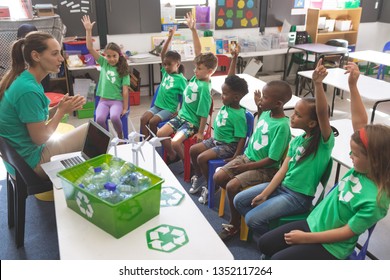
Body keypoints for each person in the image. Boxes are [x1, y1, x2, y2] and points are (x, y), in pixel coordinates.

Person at [258, 61, 390, 260]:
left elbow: (347, 232)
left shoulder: (376, 200)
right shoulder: (364, 168)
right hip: (314, 222)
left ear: (376, 160)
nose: (349, 156)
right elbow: (360, 123)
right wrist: (353, 85)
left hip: (331, 247)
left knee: (277, 260)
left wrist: (305, 239)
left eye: (355, 154)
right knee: (264, 244)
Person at [234, 58, 335, 238]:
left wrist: (317, 84)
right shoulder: (296, 141)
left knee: (252, 219)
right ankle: (269, 236)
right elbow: (281, 172)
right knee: (239, 200)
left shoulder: (322, 143)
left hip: (297, 197)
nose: (292, 117)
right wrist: (265, 193)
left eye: (298, 115)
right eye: (294, 112)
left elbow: (322, 114)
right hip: (282, 187)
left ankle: (274, 244)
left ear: (312, 123)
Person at [213, 75, 293, 242]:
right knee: (218, 176)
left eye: (265, 97)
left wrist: (246, 168)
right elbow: (263, 117)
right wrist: (260, 104)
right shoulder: (266, 113)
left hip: (265, 168)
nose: (261, 100)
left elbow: (273, 159)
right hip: (247, 158)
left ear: (278, 103)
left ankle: (235, 223)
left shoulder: (283, 127)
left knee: (232, 185)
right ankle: (240, 207)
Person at [0, 31, 87, 181]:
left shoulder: (26, 79)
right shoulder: (28, 90)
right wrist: (60, 112)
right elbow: (40, 138)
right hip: (30, 164)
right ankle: (89, 184)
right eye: (54, 54)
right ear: (36, 56)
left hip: (21, 159)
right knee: (91, 131)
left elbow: (35, 118)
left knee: (90, 132)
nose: (61, 59)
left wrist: (59, 107)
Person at [189, 44, 248, 205]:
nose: (222, 96)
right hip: (216, 140)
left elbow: (242, 138)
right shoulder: (229, 102)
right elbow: (230, 79)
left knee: (202, 157)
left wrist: (236, 155)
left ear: (235, 97)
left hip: (228, 145)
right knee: (194, 150)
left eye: (225, 94)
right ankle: (200, 175)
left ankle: (211, 186)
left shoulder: (239, 115)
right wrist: (234, 59)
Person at [157, 12, 217, 165]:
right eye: (195, 67)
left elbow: (204, 113)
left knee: (176, 142)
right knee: (160, 133)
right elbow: (198, 53)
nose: (195, 70)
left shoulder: (204, 87)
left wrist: (200, 132)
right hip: (181, 116)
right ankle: (173, 155)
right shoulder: (198, 77)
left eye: (199, 68)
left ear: (209, 72)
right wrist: (193, 30)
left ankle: (189, 165)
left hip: (191, 123)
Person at [82, 15, 130, 139]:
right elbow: (89, 48)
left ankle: (120, 135)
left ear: (119, 55)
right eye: (108, 56)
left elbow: (125, 91)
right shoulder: (104, 62)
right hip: (103, 101)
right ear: (105, 56)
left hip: (116, 101)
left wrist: (125, 107)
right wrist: (88, 30)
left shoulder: (123, 69)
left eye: (114, 56)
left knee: (114, 117)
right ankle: (106, 137)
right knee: (99, 119)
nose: (111, 59)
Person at [140, 27, 187, 140]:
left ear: (177, 64)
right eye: (164, 64)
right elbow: (163, 54)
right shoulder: (166, 73)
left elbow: (186, 97)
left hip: (168, 109)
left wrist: (180, 112)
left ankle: (155, 144)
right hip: (157, 106)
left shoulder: (181, 80)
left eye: (169, 64)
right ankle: (146, 143)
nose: (166, 67)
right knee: (143, 119)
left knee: (153, 122)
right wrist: (170, 37)